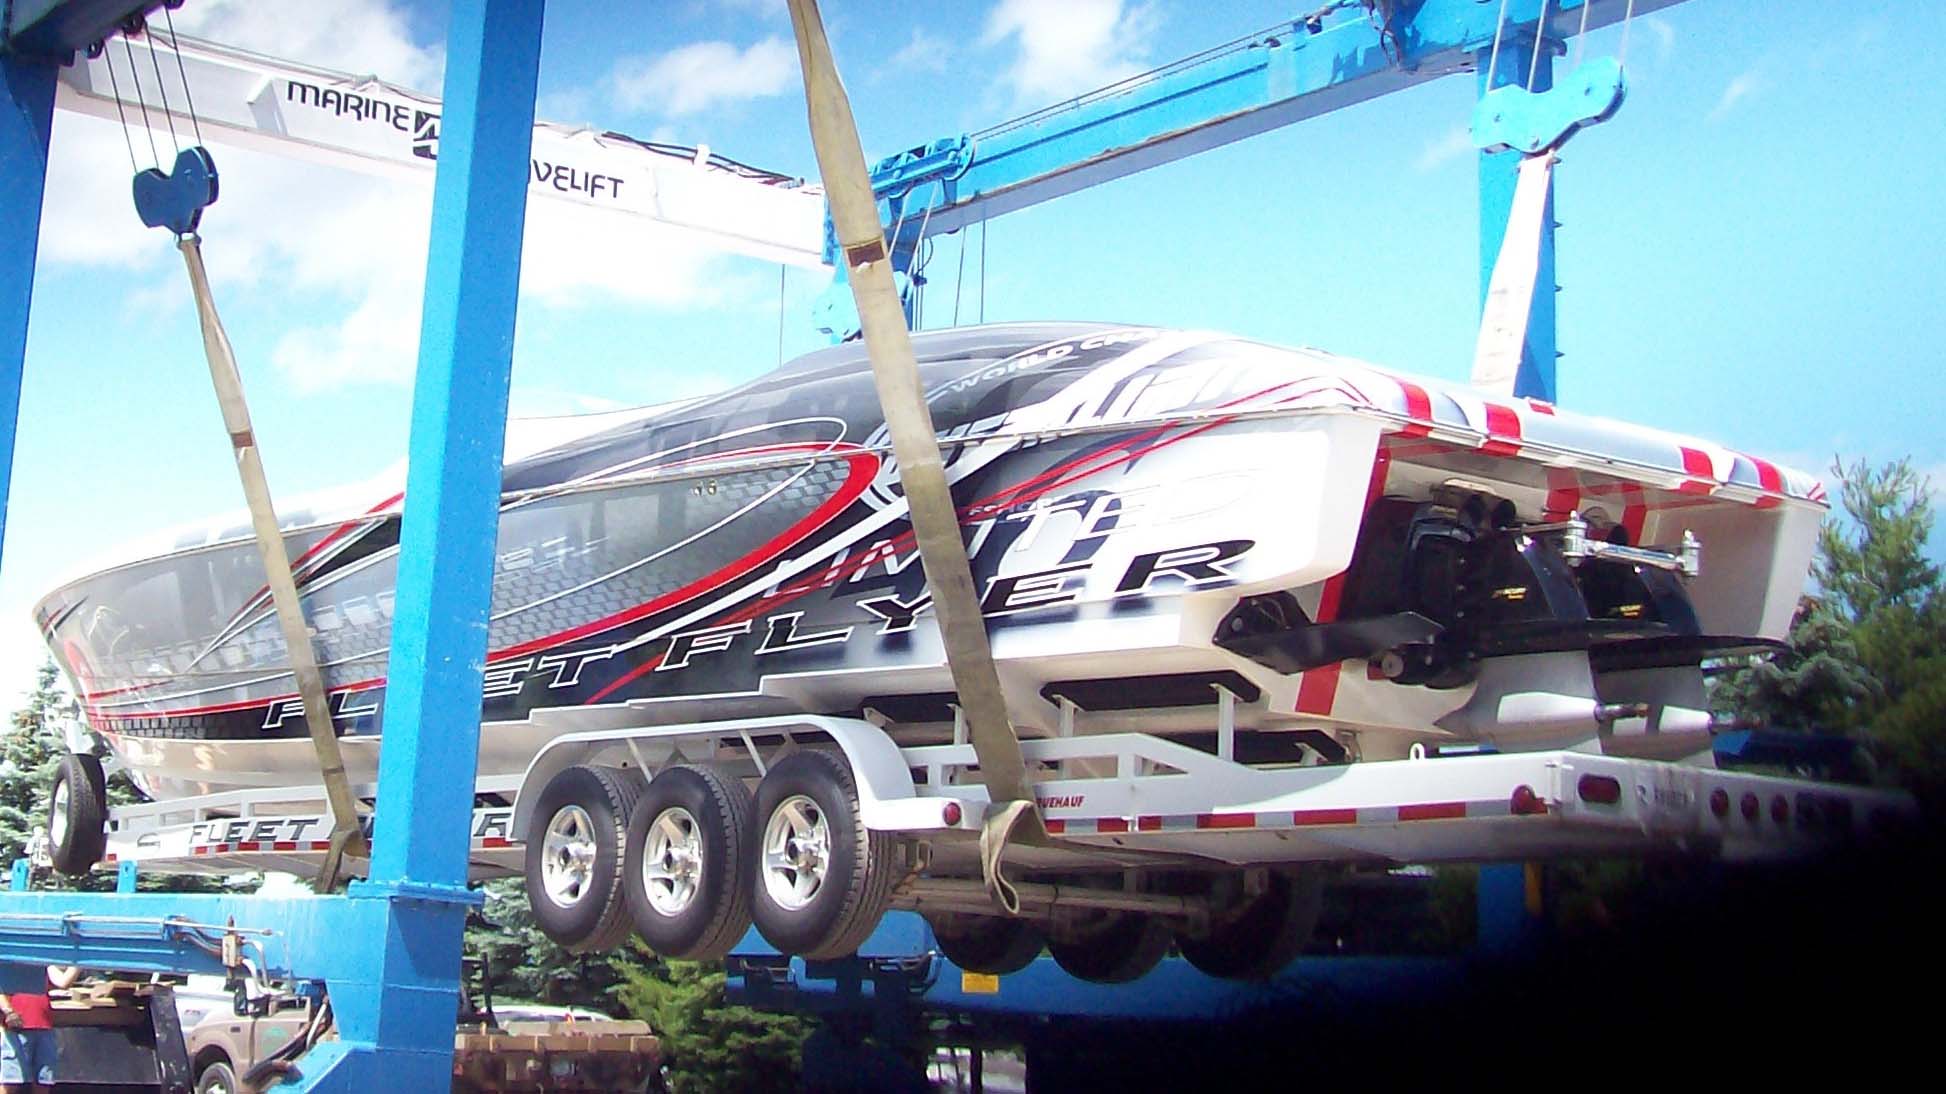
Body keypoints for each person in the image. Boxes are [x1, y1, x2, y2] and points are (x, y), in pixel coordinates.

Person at [0, 964, 78, 1094]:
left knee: (43, 1081)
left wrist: (78, 961)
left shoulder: (44, 962)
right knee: (11, 1081)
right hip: (16, 1028)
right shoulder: (8, 959)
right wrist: (9, 1011)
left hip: (44, 1027)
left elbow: (63, 982)